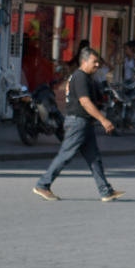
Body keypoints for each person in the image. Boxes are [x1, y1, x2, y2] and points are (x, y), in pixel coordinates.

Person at [33, 47, 124, 202]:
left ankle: (105, 191)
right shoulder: (80, 77)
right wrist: (103, 120)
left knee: (94, 157)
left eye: (98, 62)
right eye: (94, 62)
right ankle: (43, 184)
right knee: (66, 155)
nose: (97, 65)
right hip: (77, 122)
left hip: (85, 122)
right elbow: (84, 101)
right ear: (84, 61)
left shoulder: (86, 77)